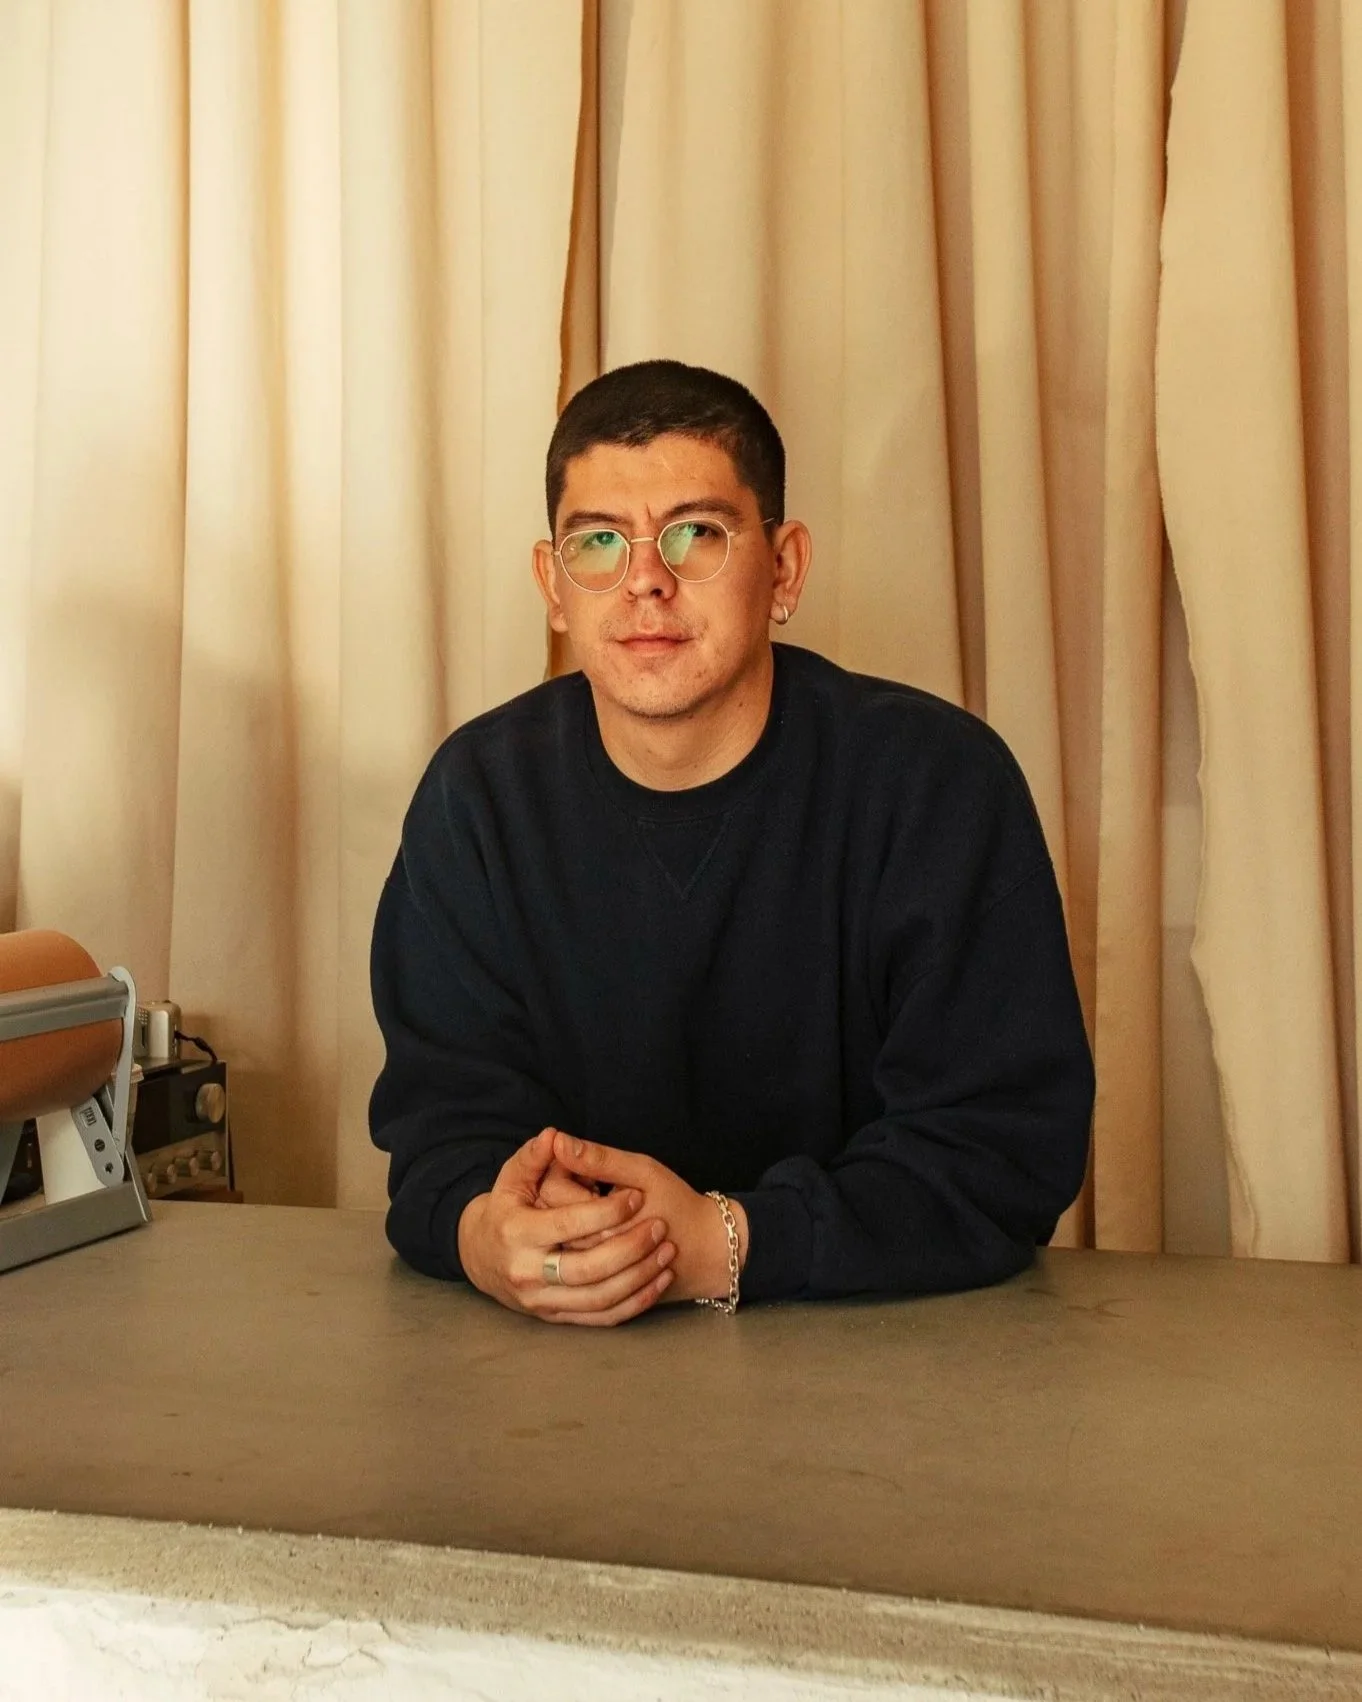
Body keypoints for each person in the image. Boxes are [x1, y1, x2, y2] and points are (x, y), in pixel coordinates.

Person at [369, 359, 1094, 1327]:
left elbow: (1001, 1154)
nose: (646, 583)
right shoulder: (479, 796)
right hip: (559, 1382)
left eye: (695, 535)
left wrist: (719, 1242)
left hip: (898, 1368)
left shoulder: (934, 783)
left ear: (784, 567)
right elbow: (439, 1136)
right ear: (553, 585)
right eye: (598, 543)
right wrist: (485, 1237)